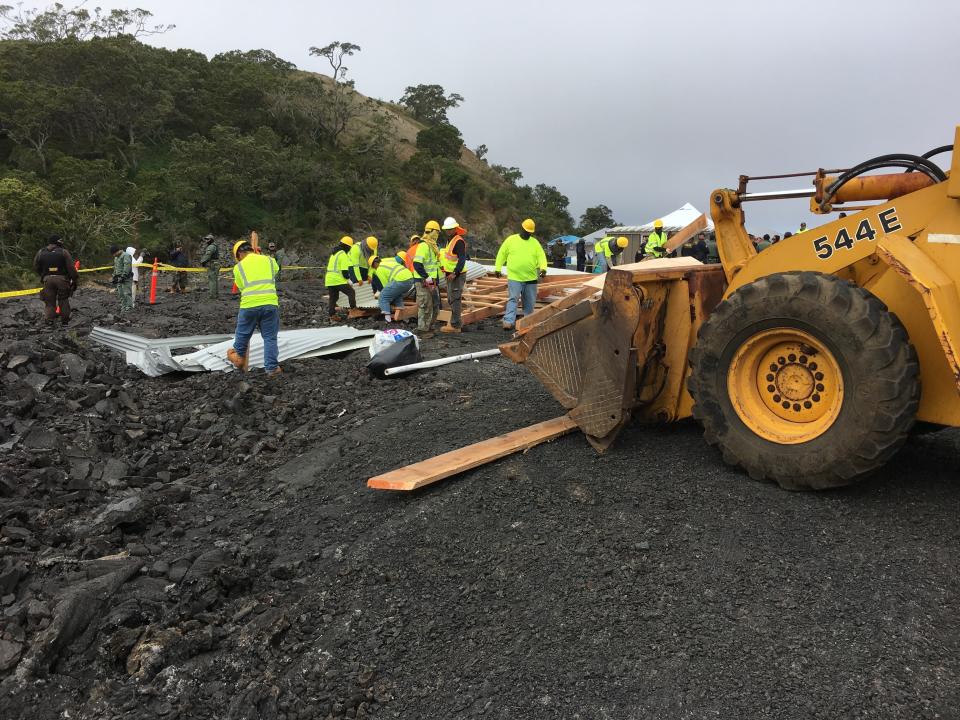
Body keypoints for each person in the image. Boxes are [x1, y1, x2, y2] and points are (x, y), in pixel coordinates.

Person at [226, 240, 281, 376]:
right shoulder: (268, 260)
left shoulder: (238, 267)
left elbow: (240, 286)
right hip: (270, 304)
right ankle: (272, 369)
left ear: (239, 254)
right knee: (270, 338)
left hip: (249, 306)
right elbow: (276, 270)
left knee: (242, 335)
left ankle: (238, 358)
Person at [495, 218, 547, 331]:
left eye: (530, 232)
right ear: (522, 229)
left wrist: (543, 268)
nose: (528, 234)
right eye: (526, 231)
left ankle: (527, 321)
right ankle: (508, 321)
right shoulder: (511, 240)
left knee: (529, 301)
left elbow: (541, 256)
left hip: (531, 278)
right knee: (513, 299)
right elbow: (502, 254)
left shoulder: (535, 243)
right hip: (515, 277)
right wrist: (498, 268)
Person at [33, 235, 78, 325]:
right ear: (58, 242)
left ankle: (49, 321)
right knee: (63, 300)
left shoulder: (41, 252)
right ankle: (65, 322)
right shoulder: (64, 252)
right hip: (62, 279)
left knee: (49, 302)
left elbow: (35, 266)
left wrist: (43, 275)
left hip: (47, 279)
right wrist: (74, 280)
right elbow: (71, 268)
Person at [439, 216, 468, 333]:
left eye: (450, 229)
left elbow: (462, 259)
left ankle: (455, 325)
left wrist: (455, 273)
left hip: (457, 275)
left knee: (455, 299)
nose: (448, 231)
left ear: (455, 228)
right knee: (452, 298)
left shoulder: (458, 241)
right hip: (451, 275)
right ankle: (456, 322)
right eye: (447, 229)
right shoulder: (450, 240)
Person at [413, 221, 442, 336]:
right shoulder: (424, 246)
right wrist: (427, 278)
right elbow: (417, 264)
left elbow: (433, 266)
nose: (437, 235)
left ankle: (430, 327)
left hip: (432, 281)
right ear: (432, 232)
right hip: (423, 281)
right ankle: (422, 330)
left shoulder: (433, 247)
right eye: (437, 232)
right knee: (425, 305)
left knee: (435, 305)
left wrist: (435, 281)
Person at [371, 251, 416, 322]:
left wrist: (383, 296)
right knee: (397, 294)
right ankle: (403, 316)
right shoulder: (389, 262)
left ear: (375, 263)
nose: (374, 268)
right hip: (410, 279)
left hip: (400, 280)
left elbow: (385, 286)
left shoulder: (379, 269)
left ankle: (387, 319)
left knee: (383, 296)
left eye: (373, 266)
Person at [325, 235, 358, 319]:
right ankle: (354, 310)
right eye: (350, 247)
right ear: (347, 246)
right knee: (351, 292)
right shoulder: (343, 254)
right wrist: (349, 280)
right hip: (338, 280)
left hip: (329, 279)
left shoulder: (334, 254)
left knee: (334, 297)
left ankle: (332, 315)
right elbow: (344, 272)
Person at [110, 244, 133, 314]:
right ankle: (123, 308)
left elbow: (127, 267)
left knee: (127, 294)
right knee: (121, 294)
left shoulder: (125, 256)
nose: (113, 255)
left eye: (114, 253)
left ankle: (129, 309)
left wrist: (123, 276)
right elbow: (116, 268)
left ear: (117, 251)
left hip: (126, 278)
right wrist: (114, 277)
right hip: (118, 278)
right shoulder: (116, 258)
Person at [199, 234, 220, 299]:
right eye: (206, 239)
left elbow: (208, 255)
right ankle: (215, 294)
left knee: (212, 280)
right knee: (215, 280)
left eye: (208, 239)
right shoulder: (214, 246)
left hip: (212, 264)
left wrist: (203, 261)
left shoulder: (211, 247)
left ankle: (212, 296)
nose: (206, 241)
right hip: (215, 264)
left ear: (211, 240)